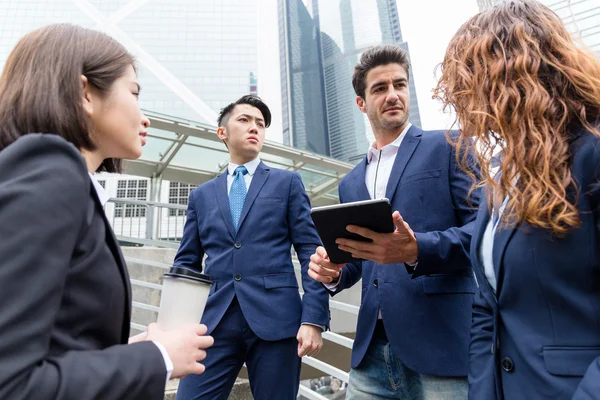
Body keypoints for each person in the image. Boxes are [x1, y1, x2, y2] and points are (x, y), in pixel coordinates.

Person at [0, 24, 213, 400]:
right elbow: (13, 382)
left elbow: (53, 347)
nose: (144, 117)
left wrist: (129, 354)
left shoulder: (54, 179)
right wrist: (158, 357)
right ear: (85, 93)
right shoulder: (51, 170)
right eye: (134, 93)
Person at [434, 1, 600, 399]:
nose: (465, 102)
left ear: (509, 73)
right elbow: (486, 307)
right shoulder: (502, 176)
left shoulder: (592, 154)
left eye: (470, 81)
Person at [308, 44, 481, 399]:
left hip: (441, 343)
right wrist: (336, 272)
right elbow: (361, 260)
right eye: (380, 88)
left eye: (399, 85)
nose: (393, 95)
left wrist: (418, 248)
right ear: (361, 103)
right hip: (371, 352)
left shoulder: (450, 145)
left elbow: (484, 231)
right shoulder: (351, 181)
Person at [173, 95, 330, 400]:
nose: (254, 127)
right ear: (223, 133)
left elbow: (312, 252)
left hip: (278, 321)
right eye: (244, 120)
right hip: (214, 322)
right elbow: (187, 263)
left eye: (260, 123)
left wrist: (313, 319)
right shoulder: (201, 196)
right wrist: (176, 326)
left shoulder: (287, 183)